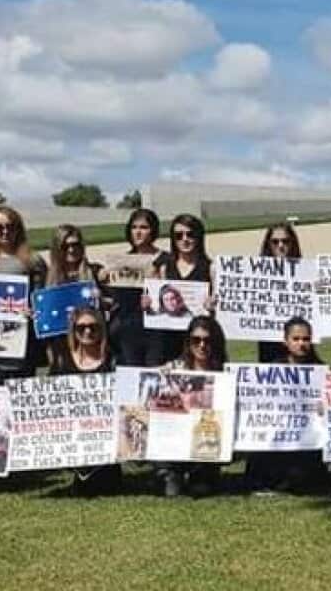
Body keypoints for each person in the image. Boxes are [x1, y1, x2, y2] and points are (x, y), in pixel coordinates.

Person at [244, 317, 331, 495]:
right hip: (278, 438)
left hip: (309, 441)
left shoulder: (322, 371)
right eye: (296, 339)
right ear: (285, 341)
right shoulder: (271, 370)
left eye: (306, 339)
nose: (301, 344)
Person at [0, 205, 48, 377]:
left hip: (23, 337)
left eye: (11, 226)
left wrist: (34, 309)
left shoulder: (33, 260)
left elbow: (41, 297)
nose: (5, 231)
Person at [157, 316, 229, 498]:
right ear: (188, 342)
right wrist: (160, 376)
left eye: (208, 340)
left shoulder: (225, 372)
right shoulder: (174, 368)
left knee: (202, 488)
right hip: (175, 441)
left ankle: (203, 473)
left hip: (208, 439)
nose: (202, 345)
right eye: (196, 340)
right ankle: (171, 473)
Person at [50, 307, 119, 496]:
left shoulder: (113, 359)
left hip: (104, 430)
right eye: (81, 328)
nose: (87, 332)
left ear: (102, 329)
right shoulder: (63, 359)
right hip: (72, 428)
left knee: (106, 484)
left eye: (93, 327)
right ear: (74, 330)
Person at [151, 214, 212, 365]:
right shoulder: (164, 267)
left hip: (198, 340)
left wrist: (213, 305)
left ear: (199, 236)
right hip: (168, 339)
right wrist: (149, 304)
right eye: (179, 235)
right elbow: (156, 306)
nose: (185, 239)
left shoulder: (210, 268)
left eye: (190, 234)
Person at [46, 224, 111, 366]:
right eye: (65, 246)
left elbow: (114, 305)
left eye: (75, 244)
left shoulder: (96, 272)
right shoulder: (48, 279)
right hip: (61, 345)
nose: (71, 249)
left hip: (93, 343)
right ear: (57, 249)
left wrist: (102, 300)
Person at [108, 209, 163, 367]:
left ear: (153, 230)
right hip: (127, 331)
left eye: (144, 227)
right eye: (134, 227)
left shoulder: (165, 259)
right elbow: (115, 300)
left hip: (156, 332)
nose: (138, 232)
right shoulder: (122, 261)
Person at [257, 222, 303, 363]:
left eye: (285, 241)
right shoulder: (257, 274)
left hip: (299, 342)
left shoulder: (305, 271)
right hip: (269, 345)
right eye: (275, 242)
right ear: (268, 245)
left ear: (292, 243)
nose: (281, 245)